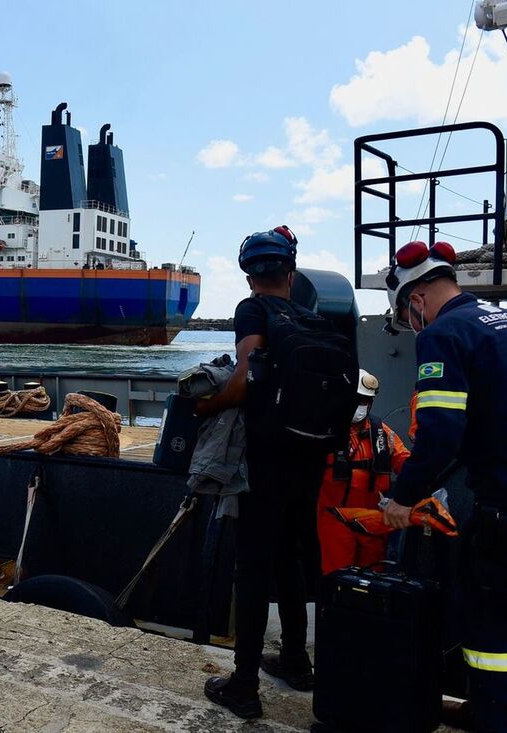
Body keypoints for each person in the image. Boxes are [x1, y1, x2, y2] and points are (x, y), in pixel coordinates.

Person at [196, 225, 329, 719]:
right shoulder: (310, 316)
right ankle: (296, 661)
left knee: (251, 568)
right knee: (290, 558)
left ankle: (244, 686)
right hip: (308, 458)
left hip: (266, 458)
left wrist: (209, 406)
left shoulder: (254, 309)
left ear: (250, 275)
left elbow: (247, 374)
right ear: (290, 272)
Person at [383, 240, 507, 732]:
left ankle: (493, 719)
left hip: (505, 504)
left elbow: (440, 433)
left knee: (491, 633)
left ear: (415, 301)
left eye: (406, 313)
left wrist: (402, 497)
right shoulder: (506, 320)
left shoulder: (443, 335)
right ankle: (483, 708)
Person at [317, 369, 410, 575]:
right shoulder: (324, 430)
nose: (362, 406)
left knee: (374, 577)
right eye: (358, 399)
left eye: (366, 401)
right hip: (334, 518)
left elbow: (404, 461)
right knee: (337, 577)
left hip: (372, 519)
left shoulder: (381, 432)